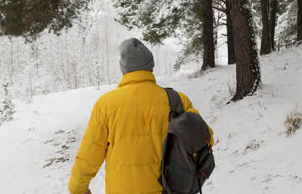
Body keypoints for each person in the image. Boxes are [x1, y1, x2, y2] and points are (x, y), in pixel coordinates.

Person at [68, 38, 214, 194]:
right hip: (170, 189)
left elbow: (89, 154)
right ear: (151, 68)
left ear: (123, 71)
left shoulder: (105, 105)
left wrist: (78, 188)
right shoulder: (177, 100)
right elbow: (206, 138)